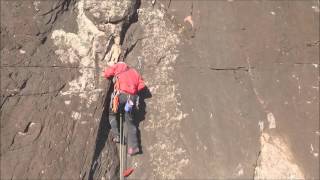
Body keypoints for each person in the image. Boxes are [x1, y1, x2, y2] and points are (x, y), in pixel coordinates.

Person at [103, 62, 145, 156]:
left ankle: (118, 136)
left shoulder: (119, 66)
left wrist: (106, 71)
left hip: (120, 95)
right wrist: (132, 88)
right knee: (130, 121)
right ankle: (134, 148)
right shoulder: (134, 72)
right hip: (132, 98)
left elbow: (107, 73)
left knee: (112, 114)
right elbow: (142, 85)